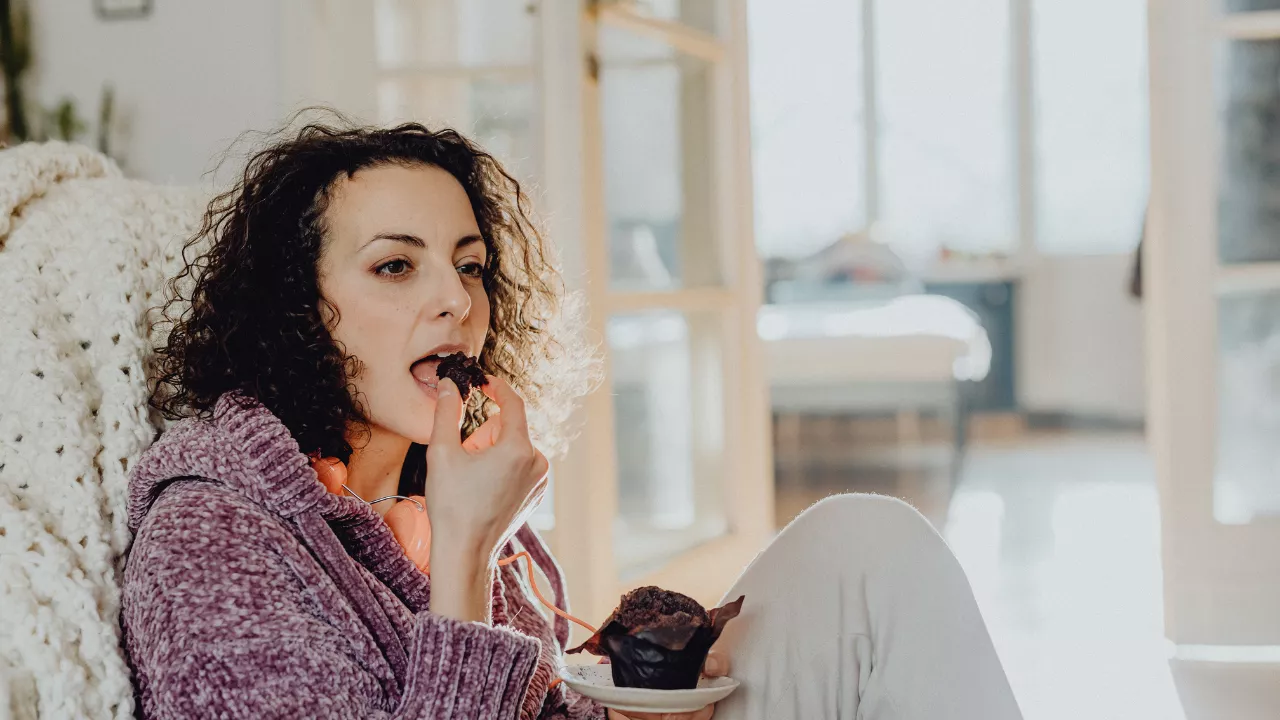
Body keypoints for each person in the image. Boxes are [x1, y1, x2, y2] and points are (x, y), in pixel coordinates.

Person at [121, 118, 1023, 720]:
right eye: (396, 267)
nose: (455, 301)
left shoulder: (430, 488)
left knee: (866, 546)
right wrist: (469, 550)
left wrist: (638, 685)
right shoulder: (209, 542)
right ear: (296, 307)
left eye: (469, 267)